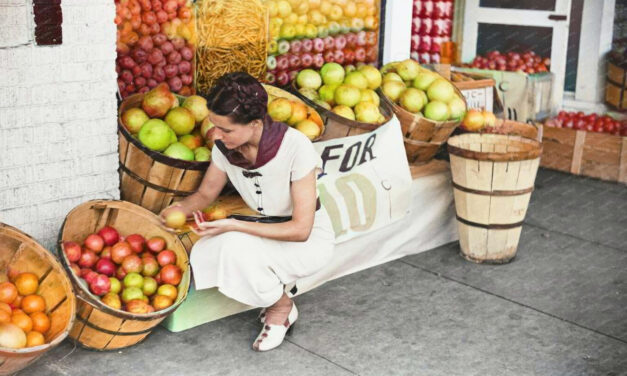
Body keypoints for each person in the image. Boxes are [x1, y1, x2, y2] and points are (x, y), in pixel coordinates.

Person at [160, 72, 334, 352]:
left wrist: (234, 225)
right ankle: (278, 292)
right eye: (214, 126)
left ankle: (281, 308)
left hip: (309, 239)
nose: (216, 135)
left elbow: (301, 230)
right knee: (209, 248)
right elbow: (206, 194)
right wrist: (178, 209)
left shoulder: (295, 146)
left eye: (226, 129)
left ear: (255, 123)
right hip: (265, 226)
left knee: (235, 247)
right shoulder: (224, 148)